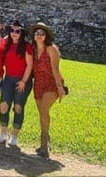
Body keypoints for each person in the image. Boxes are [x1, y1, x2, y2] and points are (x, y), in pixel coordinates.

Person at [0, 20, 34, 147]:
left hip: (23, 81)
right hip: (8, 79)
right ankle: (3, 134)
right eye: (12, 30)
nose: (14, 33)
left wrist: (23, 81)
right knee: (3, 105)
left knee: (18, 107)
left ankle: (14, 136)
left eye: (17, 31)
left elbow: (29, 65)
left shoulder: (27, 46)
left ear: (21, 33)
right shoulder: (7, 44)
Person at [30, 22, 66, 158]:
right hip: (38, 83)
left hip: (52, 83)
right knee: (42, 113)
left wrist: (60, 87)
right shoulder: (33, 49)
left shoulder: (51, 49)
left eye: (42, 34)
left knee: (44, 109)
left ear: (46, 36)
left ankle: (44, 145)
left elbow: (55, 69)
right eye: (37, 33)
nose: (39, 36)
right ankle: (45, 141)